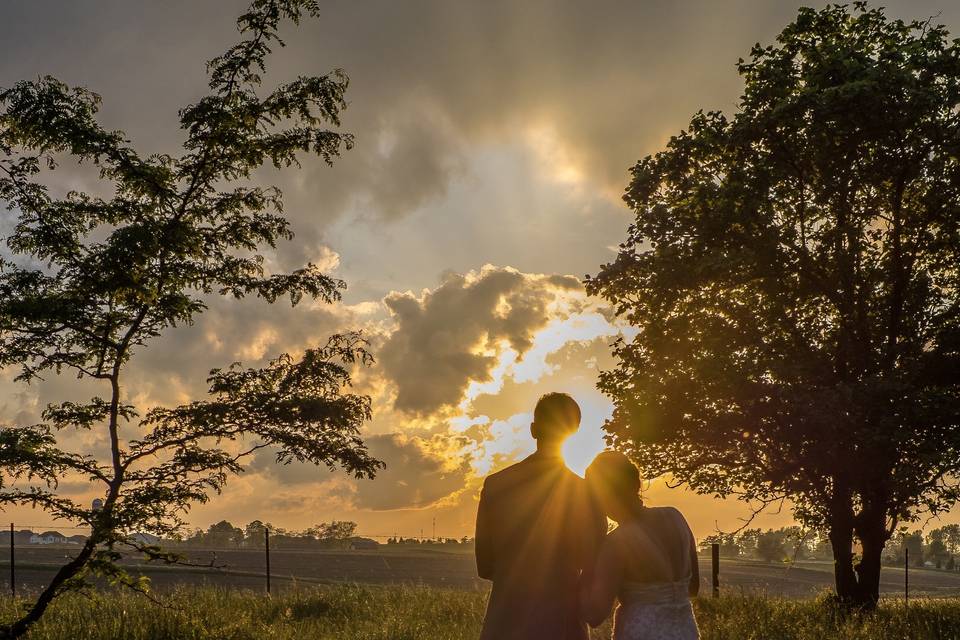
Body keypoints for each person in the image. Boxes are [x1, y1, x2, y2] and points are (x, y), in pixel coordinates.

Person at [475, 392, 606, 640]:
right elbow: (593, 561)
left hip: (505, 620)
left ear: (534, 430)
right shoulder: (586, 493)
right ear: (574, 433)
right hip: (562, 621)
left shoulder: (495, 485)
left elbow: (485, 565)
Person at [580, 451, 700, 640]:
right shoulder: (675, 517)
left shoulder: (617, 542)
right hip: (685, 631)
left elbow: (595, 615)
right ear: (636, 484)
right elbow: (693, 588)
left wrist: (586, 568)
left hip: (640, 632)